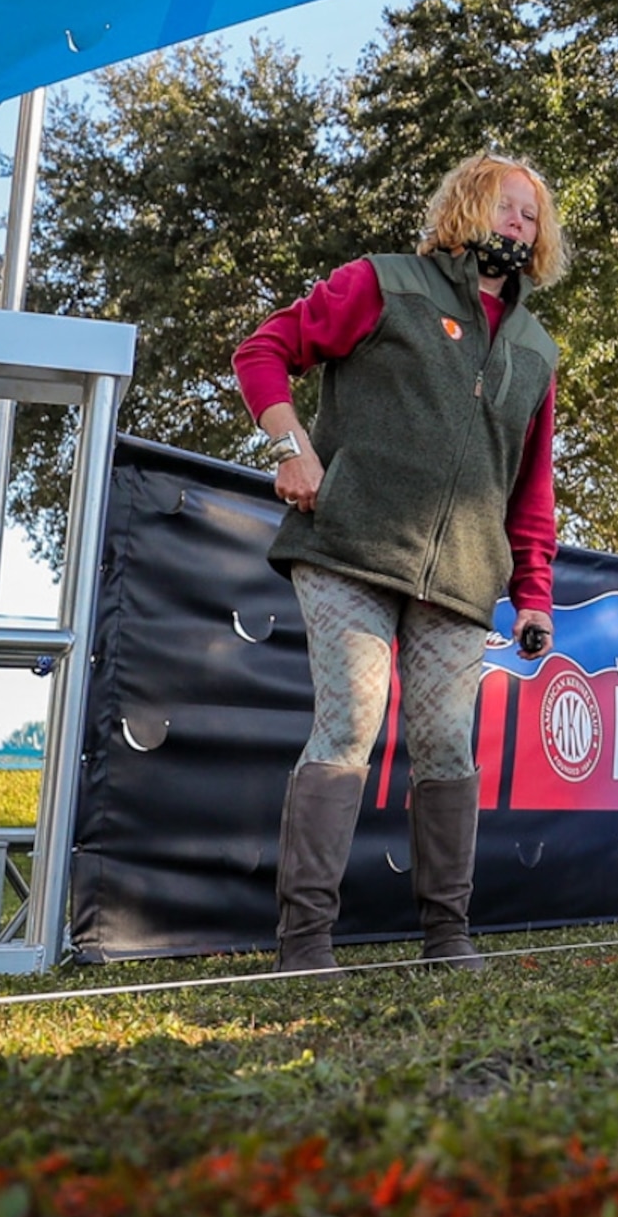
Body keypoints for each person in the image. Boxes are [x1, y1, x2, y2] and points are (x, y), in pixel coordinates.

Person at [231, 151, 569, 972]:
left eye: (531, 212)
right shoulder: (383, 283)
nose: (518, 223)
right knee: (350, 723)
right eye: (505, 205)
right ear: (466, 207)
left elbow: (532, 489)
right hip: (347, 547)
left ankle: (447, 936)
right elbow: (262, 350)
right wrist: (292, 446)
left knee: (449, 744)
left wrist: (534, 595)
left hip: (461, 579)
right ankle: (304, 941)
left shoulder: (536, 348)